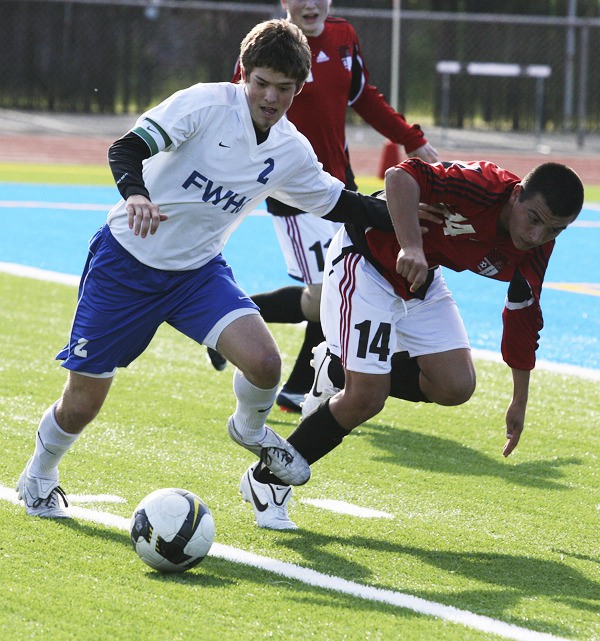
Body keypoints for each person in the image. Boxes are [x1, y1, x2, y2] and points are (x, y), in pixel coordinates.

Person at [16, 18, 393, 518]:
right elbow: (125, 147)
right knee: (82, 403)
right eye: (261, 83)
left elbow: (337, 202)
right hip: (126, 264)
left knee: (265, 364)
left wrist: (411, 216)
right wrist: (137, 195)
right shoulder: (205, 104)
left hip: (197, 274)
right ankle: (40, 472)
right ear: (243, 74)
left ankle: (251, 429)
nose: (269, 97)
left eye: (284, 88)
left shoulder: (289, 149)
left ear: (299, 89)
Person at [237, 158, 584, 529]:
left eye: (553, 231)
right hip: (366, 260)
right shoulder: (483, 184)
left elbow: (524, 314)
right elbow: (399, 176)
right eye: (534, 219)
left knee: (455, 385)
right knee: (366, 398)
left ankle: (338, 369)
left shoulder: (538, 243)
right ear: (516, 196)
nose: (536, 237)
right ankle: (265, 481)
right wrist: (412, 245)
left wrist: (520, 400)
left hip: (420, 280)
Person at [207, 0, 438, 414]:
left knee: (325, 297)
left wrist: (412, 137)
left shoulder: (344, 37)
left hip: (339, 188)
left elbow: (365, 98)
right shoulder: (267, 47)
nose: (310, 3)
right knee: (327, 295)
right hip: (291, 192)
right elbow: (235, 115)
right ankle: (299, 387)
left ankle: (230, 325)